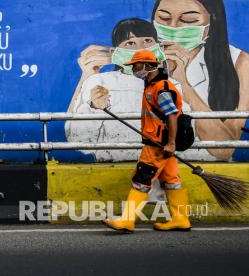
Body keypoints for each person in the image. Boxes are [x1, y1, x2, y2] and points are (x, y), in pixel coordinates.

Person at [101, 49, 191, 233]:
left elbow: (172, 115)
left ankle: (127, 220)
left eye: (136, 66)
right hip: (162, 144)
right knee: (172, 180)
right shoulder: (151, 86)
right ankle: (180, 219)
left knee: (141, 180)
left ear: (148, 66)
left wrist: (171, 143)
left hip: (158, 145)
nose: (134, 69)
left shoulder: (161, 88)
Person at [151, 0, 249, 161]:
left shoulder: (240, 62)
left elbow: (224, 150)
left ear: (213, 20)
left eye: (188, 20)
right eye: (164, 18)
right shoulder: (139, 60)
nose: (173, 28)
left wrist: (183, 84)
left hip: (209, 168)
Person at [66, 18, 166, 162]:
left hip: (157, 166)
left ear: (159, 48)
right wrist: (94, 108)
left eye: (147, 41)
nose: (141, 48)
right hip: (110, 167)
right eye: (130, 43)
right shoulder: (98, 81)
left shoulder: (170, 85)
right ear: (115, 52)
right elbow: (78, 140)